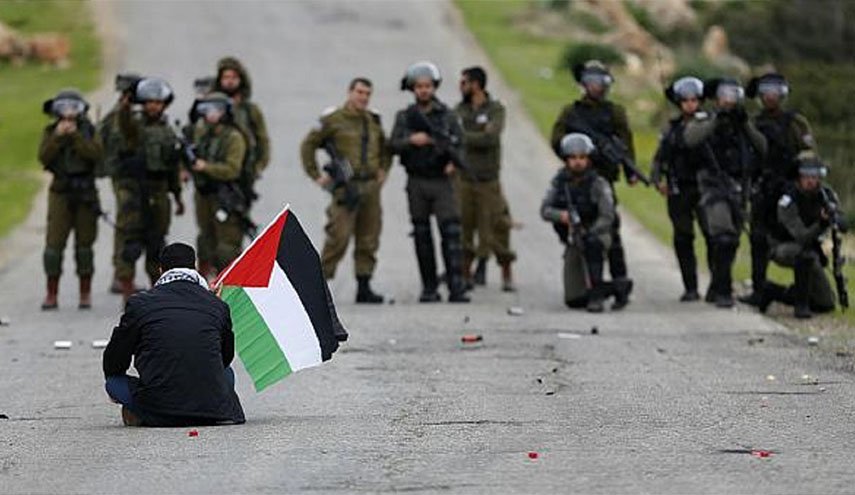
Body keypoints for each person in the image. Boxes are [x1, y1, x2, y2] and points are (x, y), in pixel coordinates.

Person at [103, 242, 245, 427]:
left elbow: (114, 361)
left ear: (161, 271)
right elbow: (225, 358)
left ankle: (142, 413)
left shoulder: (140, 304)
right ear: (194, 268)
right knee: (227, 373)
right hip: (213, 410)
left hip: (159, 406)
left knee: (114, 383)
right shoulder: (216, 305)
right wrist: (215, 306)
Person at [549, 60, 637, 297]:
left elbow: (626, 144)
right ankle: (586, 283)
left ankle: (619, 283)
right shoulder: (572, 112)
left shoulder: (615, 112)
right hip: (577, 179)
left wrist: (630, 171)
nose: (596, 87)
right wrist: (577, 155)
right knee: (573, 227)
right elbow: (557, 140)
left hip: (603, 178)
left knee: (610, 230)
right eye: (592, 82)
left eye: (601, 82)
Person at [300, 77, 391, 303]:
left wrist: (383, 169)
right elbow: (308, 145)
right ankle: (319, 287)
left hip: (370, 186)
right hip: (345, 188)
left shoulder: (373, 120)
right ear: (350, 92)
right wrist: (316, 175)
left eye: (367, 94)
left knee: (369, 237)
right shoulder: (333, 120)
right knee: (338, 236)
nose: (363, 97)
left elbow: (385, 148)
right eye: (359, 92)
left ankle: (364, 285)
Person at [389, 62, 470, 303]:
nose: (424, 90)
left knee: (451, 233)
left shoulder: (447, 116)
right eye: (419, 86)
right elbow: (392, 144)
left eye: (428, 86)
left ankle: (456, 286)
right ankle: (429, 287)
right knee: (422, 235)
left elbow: (461, 144)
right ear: (413, 89)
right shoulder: (405, 117)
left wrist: (454, 163)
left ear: (434, 87)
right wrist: (411, 140)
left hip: (442, 181)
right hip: (417, 181)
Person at [683, 78, 767, 307]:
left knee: (733, 240)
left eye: (733, 95)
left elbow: (763, 147)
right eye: (725, 95)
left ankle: (717, 285)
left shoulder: (744, 123)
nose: (729, 100)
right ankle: (723, 290)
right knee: (723, 237)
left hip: (740, 187)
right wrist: (715, 120)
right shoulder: (706, 118)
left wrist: (745, 124)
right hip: (712, 187)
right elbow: (690, 138)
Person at [740, 72, 818, 306]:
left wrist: (799, 182)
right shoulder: (753, 123)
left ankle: (804, 296)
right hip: (762, 189)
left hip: (788, 189)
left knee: (798, 239)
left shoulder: (796, 122)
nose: (771, 96)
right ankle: (759, 291)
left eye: (776, 91)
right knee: (758, 240)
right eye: (766, 91)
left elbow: (809, 155)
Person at [541, 133, 631, 312]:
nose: (578, 162)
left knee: (593, 245)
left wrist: (592, 232)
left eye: (582, 157)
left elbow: (607, 215)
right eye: (573, 158)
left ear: (588, 159)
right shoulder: (560, 182)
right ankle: (618, 287)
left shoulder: (598, 183)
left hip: (599, 232)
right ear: (566, 160)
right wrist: (562, 216)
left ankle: (597, 297)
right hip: (575, 235)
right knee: (573, 300)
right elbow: (545, 210)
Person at [115, 77, 185, 301]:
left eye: (158, 102)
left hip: (159, 192)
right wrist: (124, 108)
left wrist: (178, 196)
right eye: (149, 102)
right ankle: (127, 295)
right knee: (130, 243)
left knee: (157, 243)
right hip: (135, 193)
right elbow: (125, 126)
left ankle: (157, 296)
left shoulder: (169, 132)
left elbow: (173, 167)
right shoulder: (135, 126)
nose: (153, 106)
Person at [38, 89, 103, 310]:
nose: (68, 113)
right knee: (53, 246)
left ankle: (85, 293)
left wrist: (75, 136)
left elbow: (95, 154)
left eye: (73, 108)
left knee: (85, 246)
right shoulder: (50, 131)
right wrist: (57, 137)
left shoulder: (89, 131)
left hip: (85, 193)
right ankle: (51, 293)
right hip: (60, 193)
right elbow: (43, 157)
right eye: (63, 108)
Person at [758, 153, 842, 319]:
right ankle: (801, 306)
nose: (811, 181)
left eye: (815, 176)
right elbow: (801, 236)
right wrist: (822, 223)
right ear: (799, 178)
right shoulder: (788, 200)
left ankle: (774, 291)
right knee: (805, 255)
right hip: (782, 246)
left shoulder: (825, 195)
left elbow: (843, 223)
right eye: (806, 176)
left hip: (810, 251)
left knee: (825, 303)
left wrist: (835, 216)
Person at [455, 66, 516, 292]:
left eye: (464, 82)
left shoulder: (495, 109)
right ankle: (465, 272)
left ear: (476, 84)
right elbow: (453, 135)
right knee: (464, 225)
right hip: (464, 178)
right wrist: (474, 135)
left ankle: (506, 270)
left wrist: (464, 136)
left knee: (498, 224)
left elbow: (490, 138)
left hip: (488, 179)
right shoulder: (459, 110)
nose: (461, 86)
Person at [650, 77, 711, 302]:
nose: (690, 104)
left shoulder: (709, 124)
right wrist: (657, 179)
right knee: (683, 237)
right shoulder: (672, 127)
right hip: (679, 187)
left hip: (705, 188)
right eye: (685, 100)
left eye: (694, 100)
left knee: (713, 235)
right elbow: (660, 157)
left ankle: (718, 285)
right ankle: (690, 287)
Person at [190, 92, 248, 277]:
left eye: (216, 109)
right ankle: (203, 281)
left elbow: (232, 169)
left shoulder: (234, 137)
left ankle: (227, 281)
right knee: (205, 238)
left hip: (225, 195)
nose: (211, 114)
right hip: (204, 195)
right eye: (207, 109)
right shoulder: (203, 134)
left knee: (227, 245)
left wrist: (206, 167)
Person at [98, 73, 143, 295]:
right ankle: (121, 274)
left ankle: (122, 274)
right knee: (127, 223)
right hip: (124, 176)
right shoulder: (117, 117)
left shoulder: (134, 115)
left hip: (137, 175)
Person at [214, 57, 270, 205]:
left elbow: (263, 140)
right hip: (213, 173)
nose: (230, 81)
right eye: (226, 77)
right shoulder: (210, 108)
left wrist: (258, 167)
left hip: (243, 174)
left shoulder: (250, 110)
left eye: (234, 77)